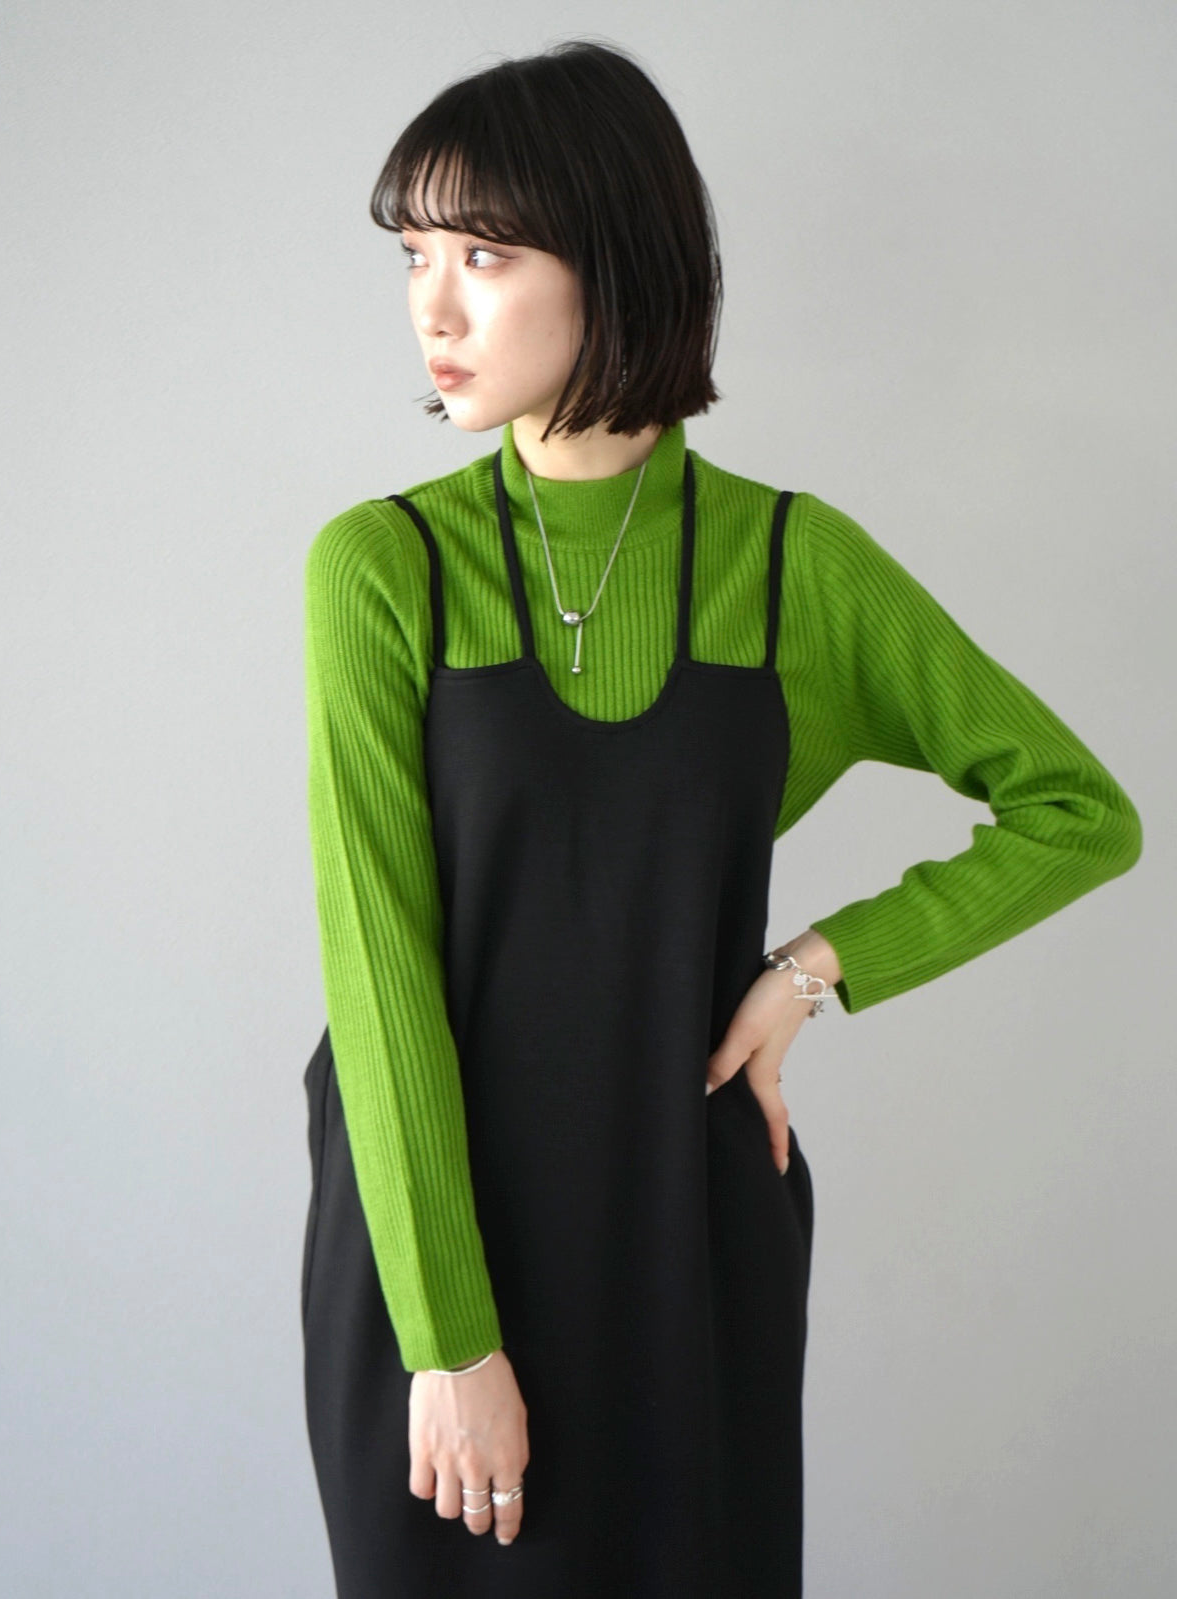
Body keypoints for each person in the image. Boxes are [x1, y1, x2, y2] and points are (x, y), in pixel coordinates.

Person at [298, 38, 1143, 1599]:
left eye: (485, 255)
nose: (433, 309)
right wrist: (452, 1343)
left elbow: (1080, 813)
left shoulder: (789, 566)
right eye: (416, 256)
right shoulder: (384, 569)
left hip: (686, 1229)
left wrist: (815, 969)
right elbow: (379, 970)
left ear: (615, 257)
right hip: (431, 1246)